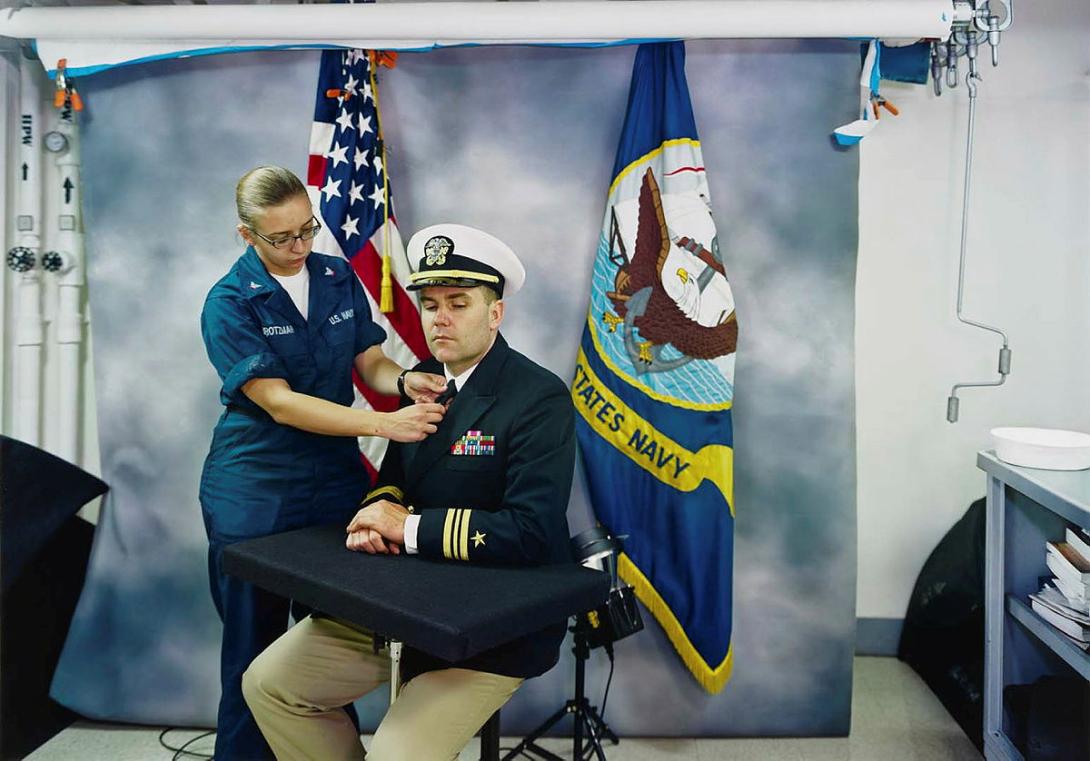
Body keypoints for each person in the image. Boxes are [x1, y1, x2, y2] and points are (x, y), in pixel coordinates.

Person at [241, 223, 577, 761]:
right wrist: (378, 512)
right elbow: (396, 477)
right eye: (430, 303)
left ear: (495, 313)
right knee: (269, 685)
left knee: (396, 756)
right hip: (404, 602)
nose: (440, 317)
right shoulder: (422, 378)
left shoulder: (538, 398)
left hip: (491, 624)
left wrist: (406, 527)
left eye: (459, 302)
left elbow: (532, 531)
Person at [199, 166, 448, 760]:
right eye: (280, 238)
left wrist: (406, 379)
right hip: (254, 485)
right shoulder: (228, 303)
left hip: (333, 481)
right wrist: (385, 424)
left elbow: (370, 363)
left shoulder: (336, 275)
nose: (299, 247)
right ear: (246, 236)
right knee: (254, 652)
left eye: (306, 230)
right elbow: (279, 403)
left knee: (326, 647)